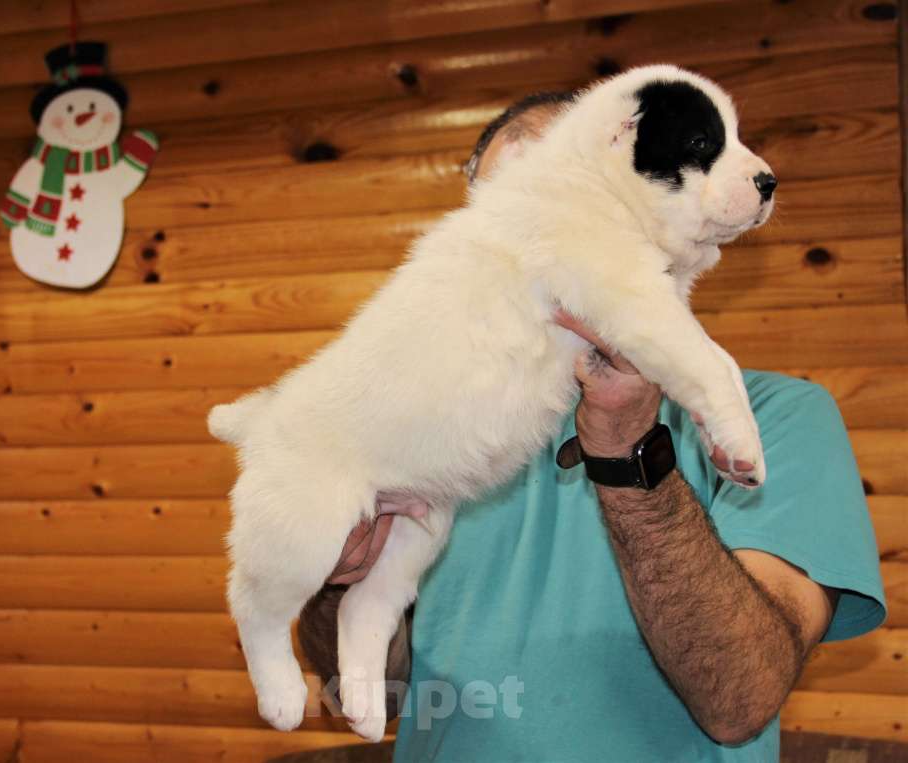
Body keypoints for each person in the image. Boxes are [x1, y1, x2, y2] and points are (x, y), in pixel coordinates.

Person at [297, 92, 886, 762]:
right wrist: (338, 577)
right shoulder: (437, 425)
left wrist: (627, 448)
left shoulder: (777, 420)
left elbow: (739, 699)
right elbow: (370, 695)